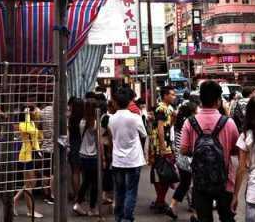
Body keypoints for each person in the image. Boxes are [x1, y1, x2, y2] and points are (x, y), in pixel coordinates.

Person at [180, 80, 240, 222]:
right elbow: (236, 150)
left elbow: (183, 149)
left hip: (200, 181)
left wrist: (197, 152)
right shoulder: (229, 123)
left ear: (201, 100)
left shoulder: (190, 122)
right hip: (225, 181)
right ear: (218, 101)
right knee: (227, 218)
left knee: (204, 218)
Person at [108, 87, 147, 222]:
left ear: (117, 102)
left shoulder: (111, 119)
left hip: (118, 160)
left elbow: (112, 136)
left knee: (119, 191)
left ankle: (118, 217)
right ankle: (127, 218)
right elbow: (144, 134)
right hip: (133, 159)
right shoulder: (135, 118)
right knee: (131, 190)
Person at [168, 101, 198, 221]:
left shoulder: (178, 122)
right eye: (196, 109)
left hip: (180, 158)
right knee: (196, 185)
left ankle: (172, 206)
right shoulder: (191, 123)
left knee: (184, 184)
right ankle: (195, 214)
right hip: (190, 157)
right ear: (192, 111)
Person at [150, 86, 177, 214]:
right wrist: (161, 147)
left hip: (167, 143)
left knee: (165, 173)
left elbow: (169, 125)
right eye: (172, 94)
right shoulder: (161, 108)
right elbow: (160, 129)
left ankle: (160, 200)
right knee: (160, 173)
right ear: (165, 95)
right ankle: (160, 200)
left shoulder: (169, 108)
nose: (174, 96)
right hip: (160, 145)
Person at [73, 98, 101, 216]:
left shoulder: (82, 122)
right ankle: (92, 208)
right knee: (94, 183)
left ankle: (78, 203)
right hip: (93, 156)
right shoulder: (95, 123)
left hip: (83, 155)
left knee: (86, 181)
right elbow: (98, 142)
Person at [14, 106, 43, 219]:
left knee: (31, 183)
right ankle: (30, 211)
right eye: (30, 112)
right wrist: (27, 115)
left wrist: (38, 151)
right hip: (25, 156)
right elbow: (29, 130)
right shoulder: (23, 124)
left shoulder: (31, 122)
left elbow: (35, 137)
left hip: (31, 155)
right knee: (29, 185)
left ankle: (14, 200)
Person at [68, 97, 84, 200]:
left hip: (73, 146)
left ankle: (76, 194)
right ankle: (82, 194)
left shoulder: (70, 118)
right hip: (84, 145)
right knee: (84, 173)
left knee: (75, 172)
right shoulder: (85, 118)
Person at [40, 103, 55, 205]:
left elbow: (40, 126)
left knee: (45, 172)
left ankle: (45, 195)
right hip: (53, 146)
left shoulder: (42, 112)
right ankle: (51, 195)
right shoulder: (56, 111)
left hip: (44, 145)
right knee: (52, 173)